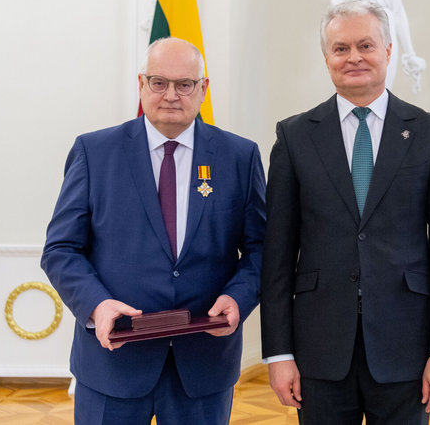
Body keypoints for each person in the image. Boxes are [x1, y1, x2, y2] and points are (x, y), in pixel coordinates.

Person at [260, 0, 430, 424]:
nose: (353, 57)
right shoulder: (295, 136)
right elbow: (277, 255)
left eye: (366, 45)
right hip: (318, 351)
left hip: (406, 349)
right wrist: (278, 353)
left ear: (388, 51)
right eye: (340, 48)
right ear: (326, 58)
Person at [41, 37, 266, 425]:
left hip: (204, 364)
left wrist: (238, 297)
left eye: (185, 84)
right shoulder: (95, 153)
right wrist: (97, 305)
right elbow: (61, 249)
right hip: (114, 363)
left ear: (203, 88)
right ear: (141, 84)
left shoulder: (239, 156)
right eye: (159, 82)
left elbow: (263, 248)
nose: (171, 95)